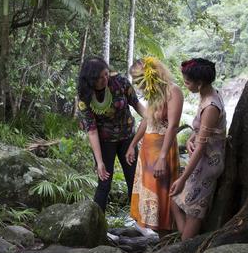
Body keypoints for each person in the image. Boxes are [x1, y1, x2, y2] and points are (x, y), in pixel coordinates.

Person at [77, 57, 146, 212]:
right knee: (104, 182)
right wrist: (99, 162)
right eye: (100, 78)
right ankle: (96, 224)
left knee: (134, 179)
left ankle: (139, 222)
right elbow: (92, 130)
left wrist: (151, 118)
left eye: (106, 74)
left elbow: (136, 104)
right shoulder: (85, 97)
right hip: (104, 142)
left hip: (127, 137)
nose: (105, 79)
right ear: (90, 80)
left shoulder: (120, 82)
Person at [170, 58, 227, 240]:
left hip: (207, 164)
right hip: (200, 159)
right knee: (175, 201)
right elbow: (203, 131)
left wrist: (182, 179)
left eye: (187, 82)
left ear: (200, 83)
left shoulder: (211, 106)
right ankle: (184, 239)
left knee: (193, 211)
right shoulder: (206, 95)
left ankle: (186, 245)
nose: (185, 85)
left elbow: (202, 146)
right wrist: (190, 140)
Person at [126, 57, 183, 237]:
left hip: (162, 151)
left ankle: (166, 237)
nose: (136, 85)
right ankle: (153, 235)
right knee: (148, 193)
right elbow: (146, 121)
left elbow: (173, 126)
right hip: (147, 151)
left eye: (137, 80)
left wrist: (162, 158)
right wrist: (133, 144)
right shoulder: (153, 94)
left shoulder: (173, 92)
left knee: (162, 194)